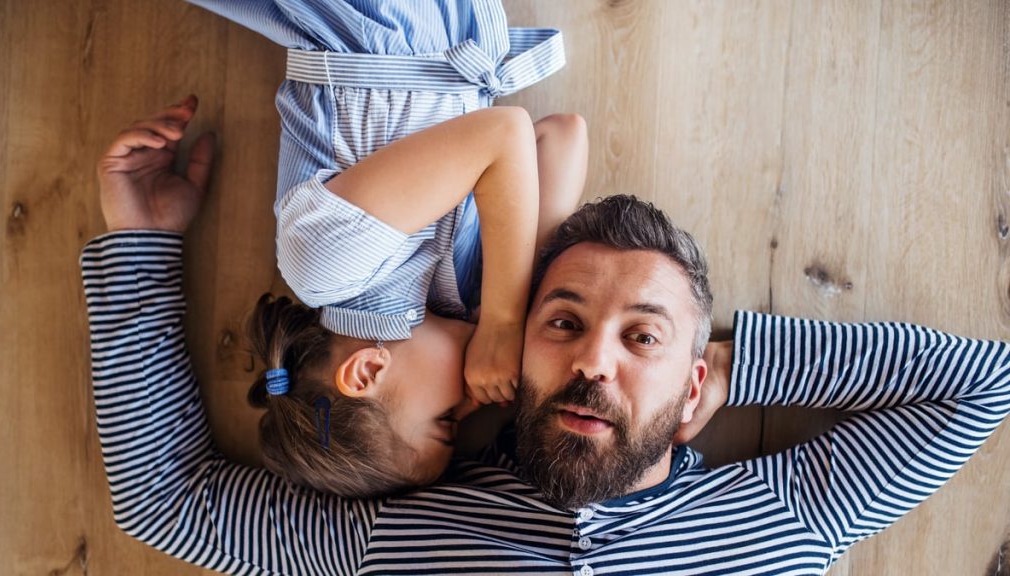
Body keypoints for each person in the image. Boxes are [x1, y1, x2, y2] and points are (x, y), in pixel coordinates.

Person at [86, 98, 1010, 575]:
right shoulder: (391, 537)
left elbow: (983, 383)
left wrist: (732, 365)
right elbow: (172, 505)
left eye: (643, 340)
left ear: (693, 384)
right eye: (562, 322)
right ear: (513, 342)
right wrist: (141, 243)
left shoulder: (780, 525)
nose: (592, 363)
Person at [180, 0, 585, 497]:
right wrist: (514, 308)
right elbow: (561, 137)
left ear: (367, 370)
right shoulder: (456, 291)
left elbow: (505, 132)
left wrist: (502, 322)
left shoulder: (324, 270)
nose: (472, 402)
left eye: (447, 419)